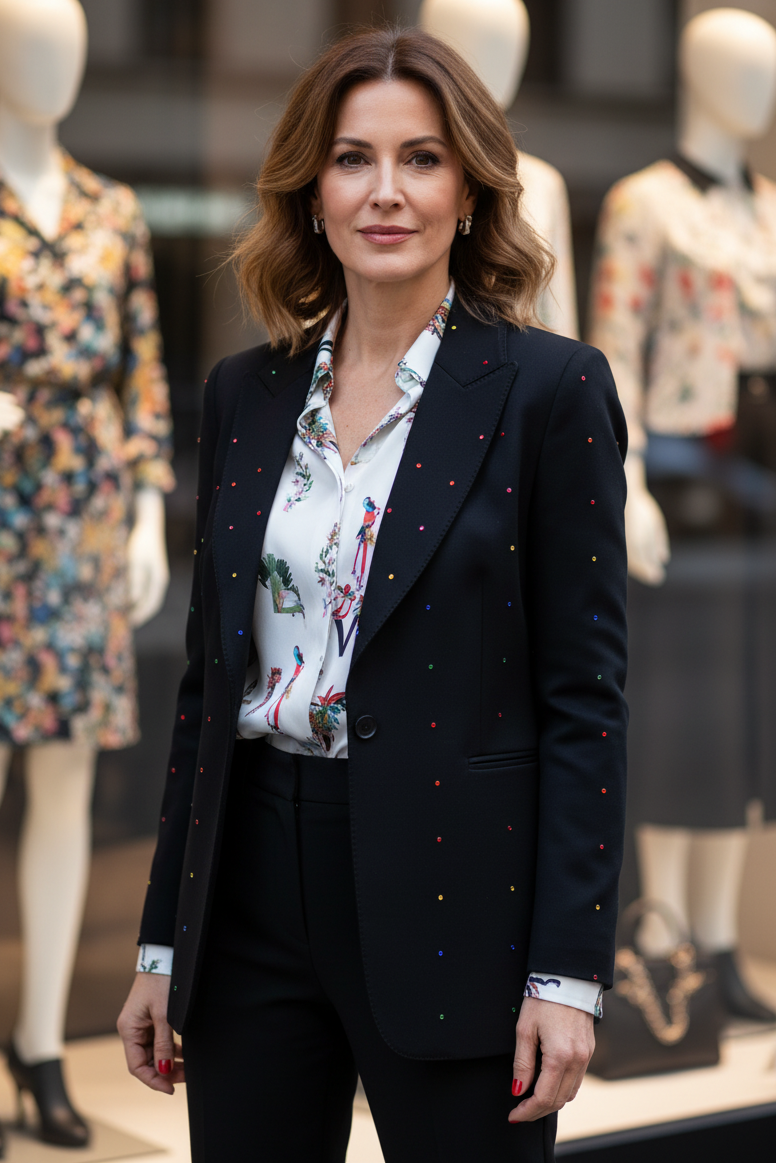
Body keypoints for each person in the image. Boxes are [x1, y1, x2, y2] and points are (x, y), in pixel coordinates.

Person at [118, 27, 627, 1164]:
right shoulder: (243, 393)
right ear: (310, 190)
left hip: (458, 899)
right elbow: (210, 690)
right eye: (352, 159)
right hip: (251, 892)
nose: (384, 192)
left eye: (421, 159)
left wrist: (566, 973)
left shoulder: (549, 389)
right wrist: (165, 944)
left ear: (468, 189)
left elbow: (584, 705)